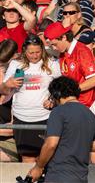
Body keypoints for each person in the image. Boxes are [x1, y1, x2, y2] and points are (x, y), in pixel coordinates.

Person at [27, 76, 95, 183]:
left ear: (57, 94)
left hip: (58, 175)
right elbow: (94, 146)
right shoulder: (91, 115)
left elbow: (51, 144)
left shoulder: (58, 112)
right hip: (81, 176)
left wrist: (38, 167)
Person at [2, 35, 60, 163]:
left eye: (38, 52)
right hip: (22, 117)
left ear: (42, 50)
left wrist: (52, 99)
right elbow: (3, 91)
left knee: (45, 156)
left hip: (44, 116)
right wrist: (8, 84)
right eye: (31, 53)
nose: (34, 56)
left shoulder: (52, 63)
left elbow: (60, 87)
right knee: (27, 157)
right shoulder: (16, 64)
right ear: (24, 51)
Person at [44, 22, 95, 107]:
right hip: (69, 104)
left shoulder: (81, 51)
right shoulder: (63, 52)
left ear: (64, 37)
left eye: (55, 44)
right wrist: (53, 98)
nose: (54, 48)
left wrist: (71, 91)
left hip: (84, 104)